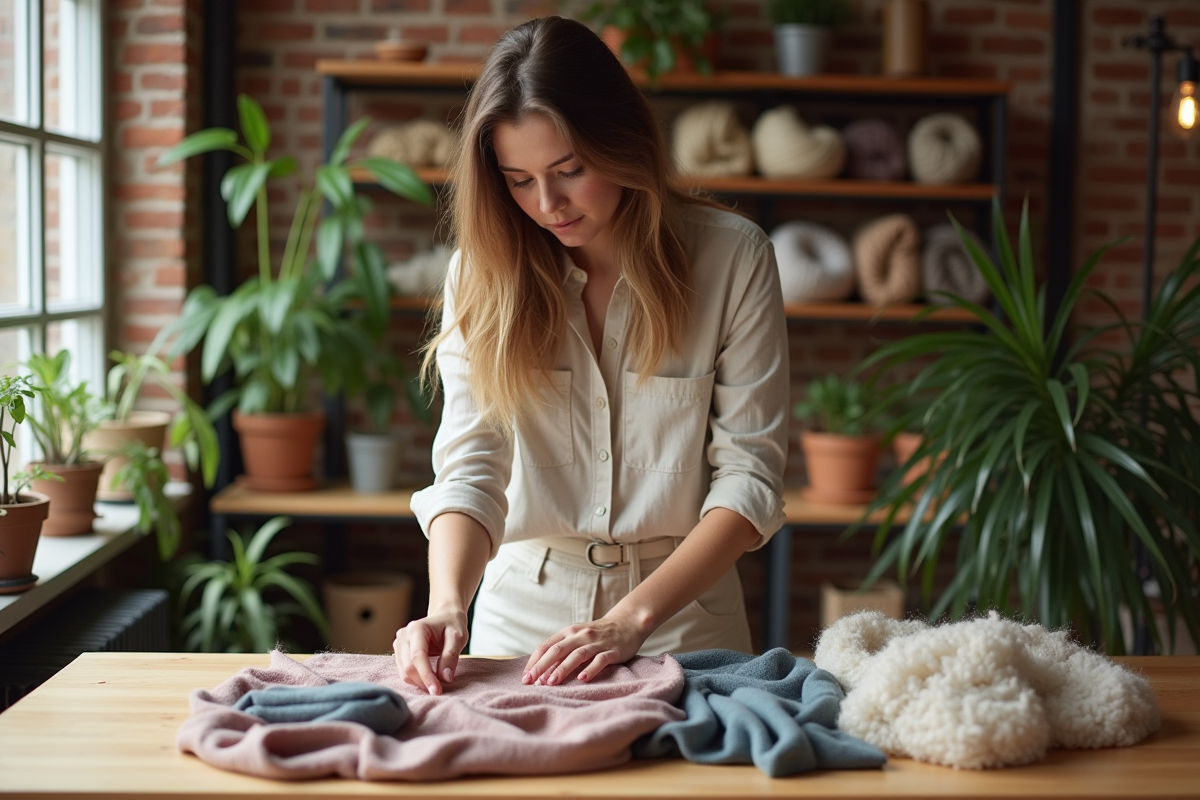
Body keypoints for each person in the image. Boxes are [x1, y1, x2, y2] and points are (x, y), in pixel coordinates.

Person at [397, 15, 789, 695]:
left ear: (622, 141)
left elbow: (749, 478)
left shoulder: (734, 259)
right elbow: (471, 466)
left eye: (569, 171)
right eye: (518, 180)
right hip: (522, 624)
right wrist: (447, 606)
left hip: (685, 624)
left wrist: (630, 620)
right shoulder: (481, 275)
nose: (547, 204)